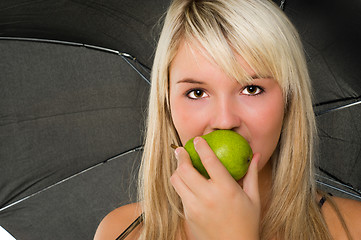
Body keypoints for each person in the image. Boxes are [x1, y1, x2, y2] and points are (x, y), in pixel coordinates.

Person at [94, 0, 361, 239]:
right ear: (166, 104)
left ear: (289, 100)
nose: (224, 121)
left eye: (251, 89)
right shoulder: (122, 231)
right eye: (197, 93)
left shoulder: (353, 228)